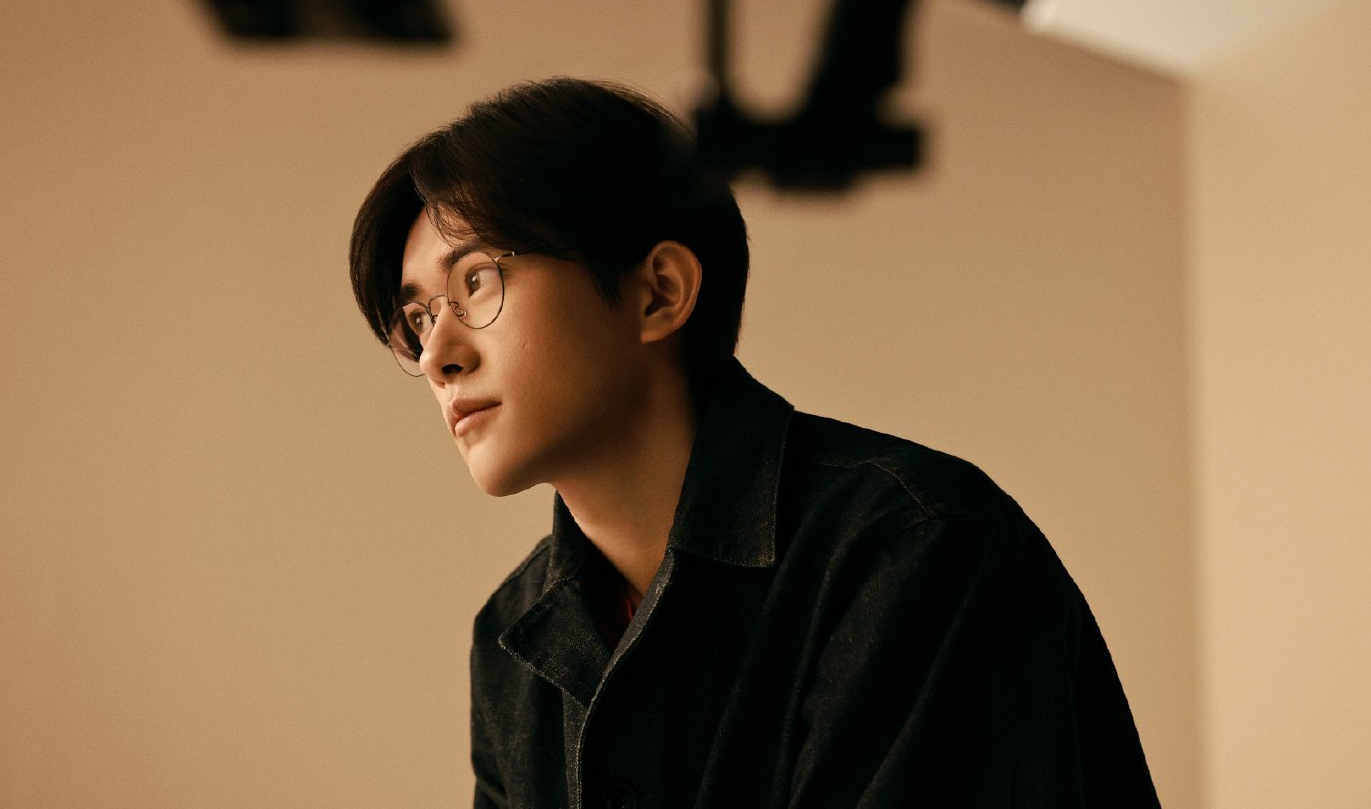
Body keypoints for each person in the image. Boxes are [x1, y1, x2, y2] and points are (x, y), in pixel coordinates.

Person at [348, 78, 1159, 808]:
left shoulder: (915, 547)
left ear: (659, 293)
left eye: (477, 282)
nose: (438, 354)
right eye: (418, 317)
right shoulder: (511, 639)